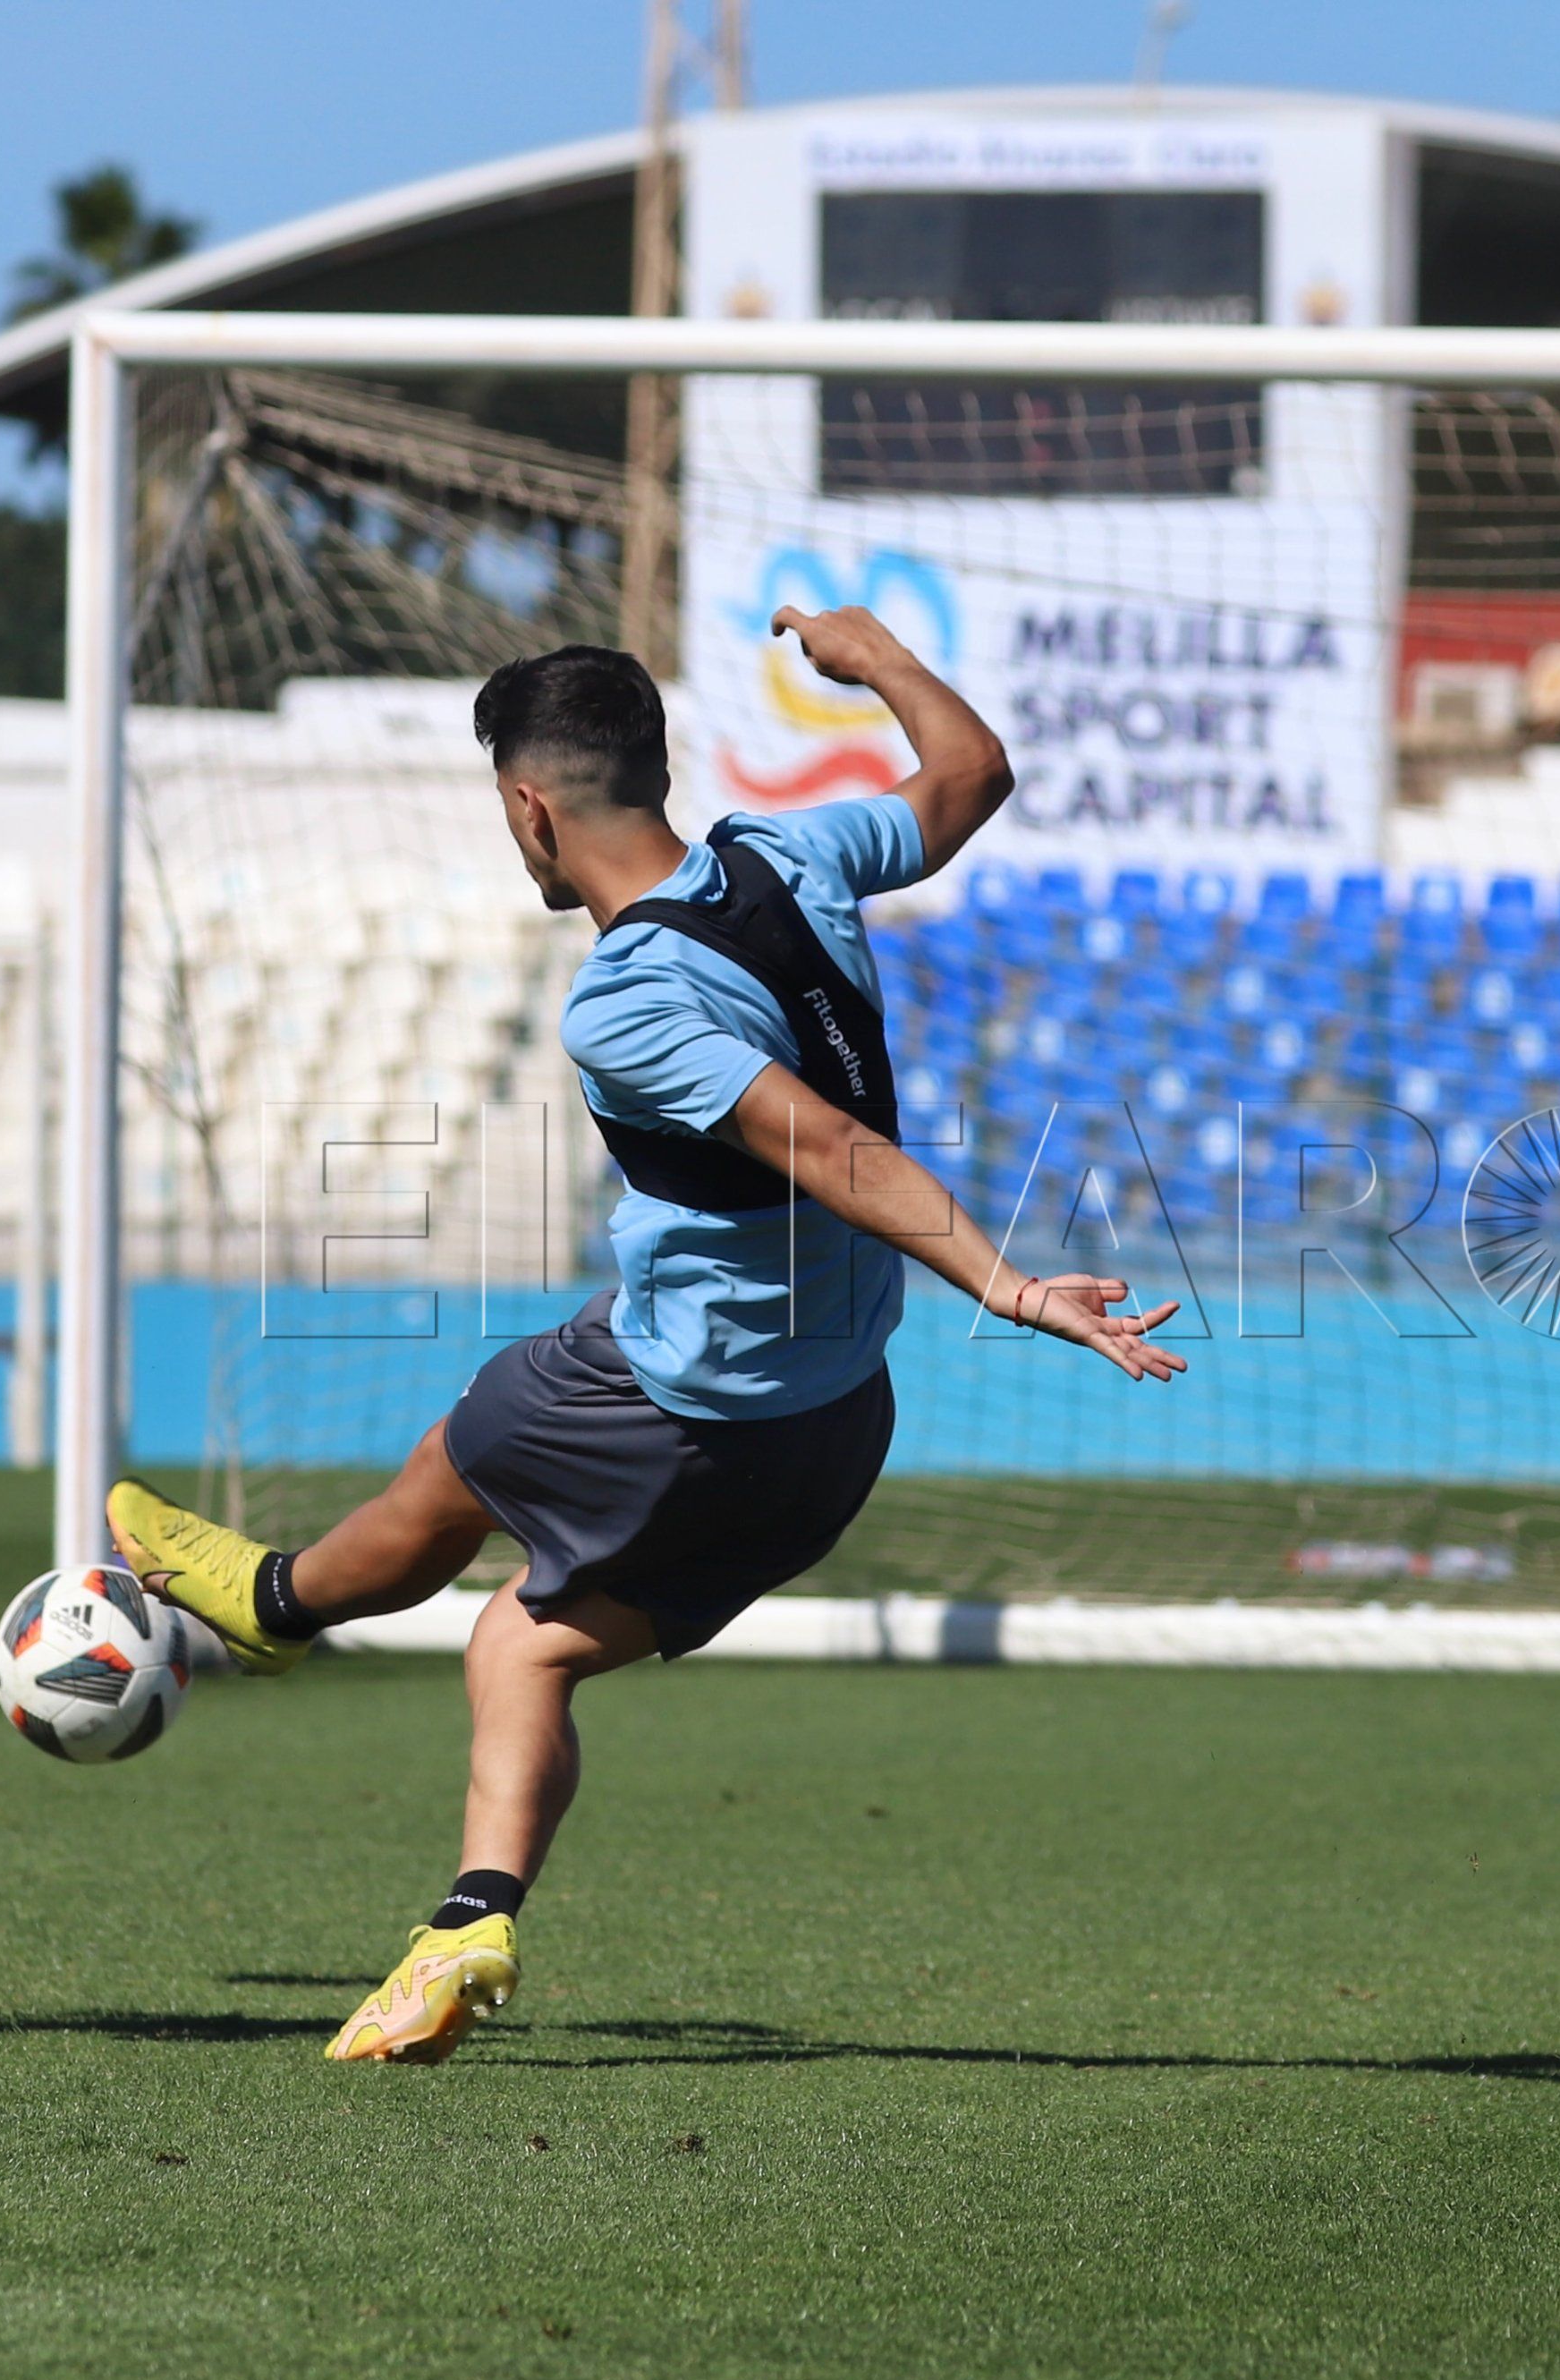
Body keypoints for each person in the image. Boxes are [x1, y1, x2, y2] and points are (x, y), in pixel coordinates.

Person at [108, 608, 1185, 2062]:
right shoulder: (788, 853)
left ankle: (275, 1601)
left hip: (675, 1396)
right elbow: (971, 775)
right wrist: (878, 663)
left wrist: (1003, 1283)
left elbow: (825, 1146)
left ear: (528, 807)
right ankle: (468, 1921)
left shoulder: (623, 1002)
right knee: (519, 1645)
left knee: (463, 1454)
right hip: (835, 1425)